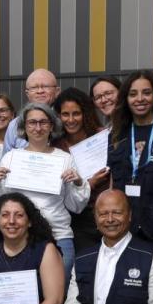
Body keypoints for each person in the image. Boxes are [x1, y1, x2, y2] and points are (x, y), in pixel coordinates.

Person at [0, 101, 89, 278]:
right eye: (32, 122)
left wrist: (78, 183)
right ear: (23, 127)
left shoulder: (65, 159)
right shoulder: (11, 158)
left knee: (58, 298)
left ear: (52, 126)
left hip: (57, 235)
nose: (38, 127)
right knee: (23, 299)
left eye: (43, 122)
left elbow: (76, 206)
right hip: (18, 239)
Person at [107, 70, 153, 246]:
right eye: (133, 94)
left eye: (146, 93)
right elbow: (112, 180)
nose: (140, 99)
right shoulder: (117, 134)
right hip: (125, 228)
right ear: (125, 99)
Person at [53, 87, 110, 253]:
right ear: (58, 116)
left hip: (104, 214)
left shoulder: (102, 138)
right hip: (72, 220)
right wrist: (90, 183)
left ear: (85, 113)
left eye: (76, 113)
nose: (71, 119)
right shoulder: (55, 145)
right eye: (65, 114)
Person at [1, 68, 61, 154]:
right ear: (27, 94)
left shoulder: (66, 120)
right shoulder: (15, 125)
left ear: (57, 91)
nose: (40, 91)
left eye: (45, 86)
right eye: (34, 87)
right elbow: (6, 162)